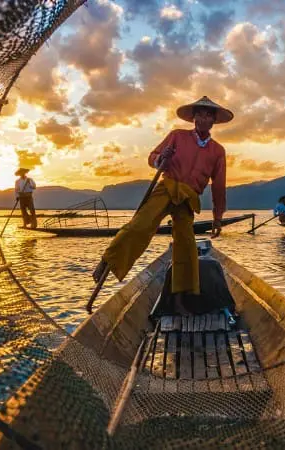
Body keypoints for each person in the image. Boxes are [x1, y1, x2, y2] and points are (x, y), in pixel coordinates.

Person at [92, 96, 232, 314]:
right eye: (200, 114)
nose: (203, 118)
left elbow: (219, 186)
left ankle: (180, 301)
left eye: (208, 115)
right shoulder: (177, 136)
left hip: (188, 198)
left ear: (213, 121)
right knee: (141, 225)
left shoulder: (217, 151)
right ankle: (108, 259)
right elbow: (153, 157)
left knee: (186, 247)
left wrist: (217, 217)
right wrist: (161, 158)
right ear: (193, 118)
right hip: (167, 187)